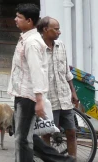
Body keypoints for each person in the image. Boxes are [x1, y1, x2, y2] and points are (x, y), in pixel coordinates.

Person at [8, 3, 73, 162]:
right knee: (22, 135)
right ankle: (62, 160)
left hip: (28, 96)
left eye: (19, 17)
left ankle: (63, 161)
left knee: (22, 139)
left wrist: (39, 100)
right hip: (22, 93)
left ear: (29, 21)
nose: (15, 20)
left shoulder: (32, 43)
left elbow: (37, 71)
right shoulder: (27, 38)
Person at [38, 17, 80, 158]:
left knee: (71, 132)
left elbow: (67, 72)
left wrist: (73, 92)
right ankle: (50, 160)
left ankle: (72, 160)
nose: (59, 32)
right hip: (49, 100)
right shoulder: (37, 49)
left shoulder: (60, 46)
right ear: (45, 29)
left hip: (64, 97)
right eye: (56, 29)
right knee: (47, 133)